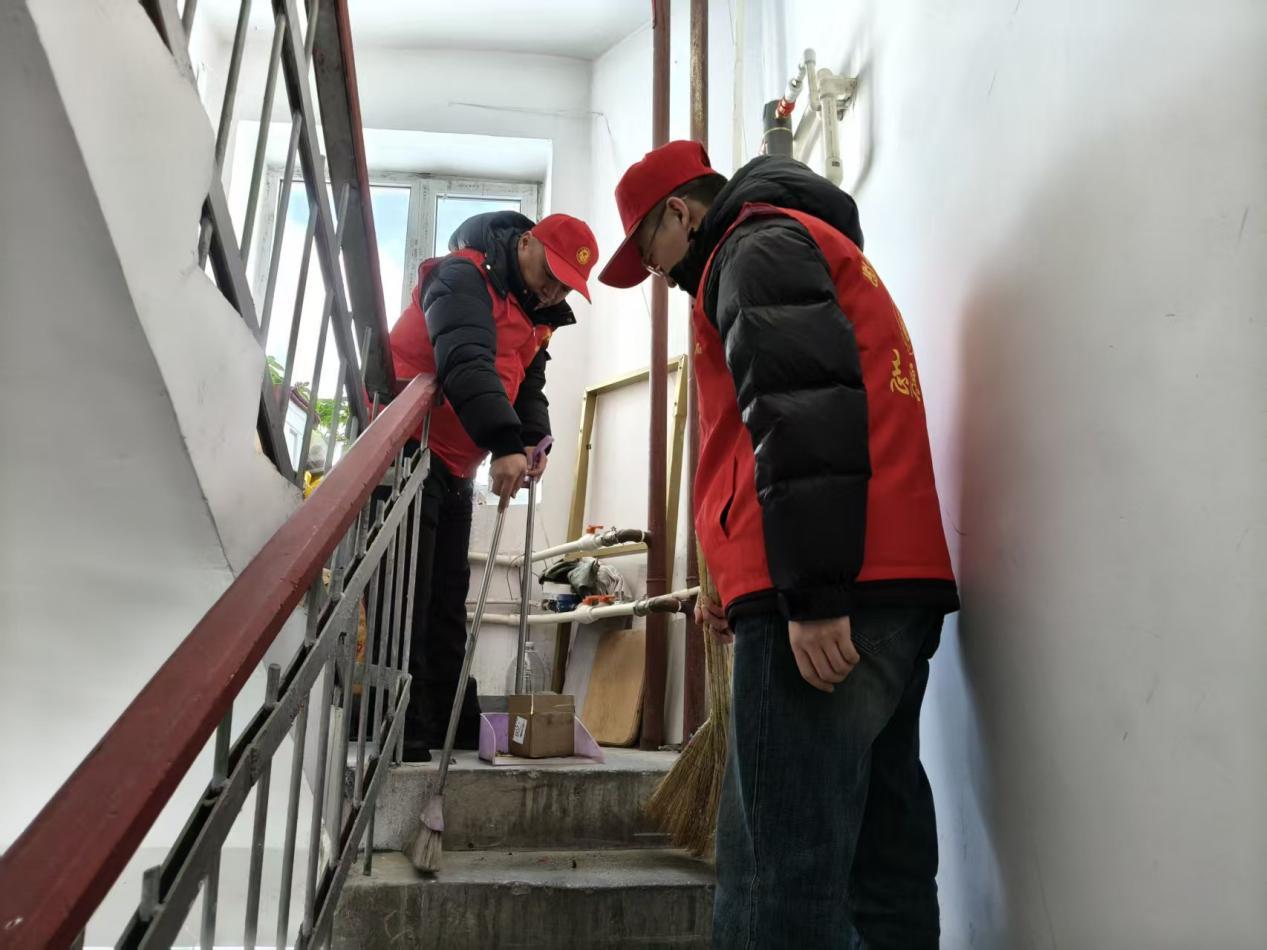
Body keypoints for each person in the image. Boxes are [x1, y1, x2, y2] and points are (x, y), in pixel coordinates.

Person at [599, 141, 959, 948]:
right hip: (889, 581)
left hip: (834, 595)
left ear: (679, 213)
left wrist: (813, 591)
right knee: (881, 862)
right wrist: (728, 579)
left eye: (648, 251)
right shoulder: (797, 244)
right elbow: (764, 430)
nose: (654, 273)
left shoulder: (753, 248)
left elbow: (802, 412)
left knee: (777, 885)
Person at [389, 210, 598, 763]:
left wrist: (532, 440)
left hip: (455, 463)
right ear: (526, 243)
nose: (554, 290)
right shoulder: (463, 276)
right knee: (410, 595)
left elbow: (528, 386)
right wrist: (503, 442)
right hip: (407, 447)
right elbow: (464, 360)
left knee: (447, 596)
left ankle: (448, 721)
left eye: (566, 286)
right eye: (551, 273)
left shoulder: (536, 315)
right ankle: (403, 727)